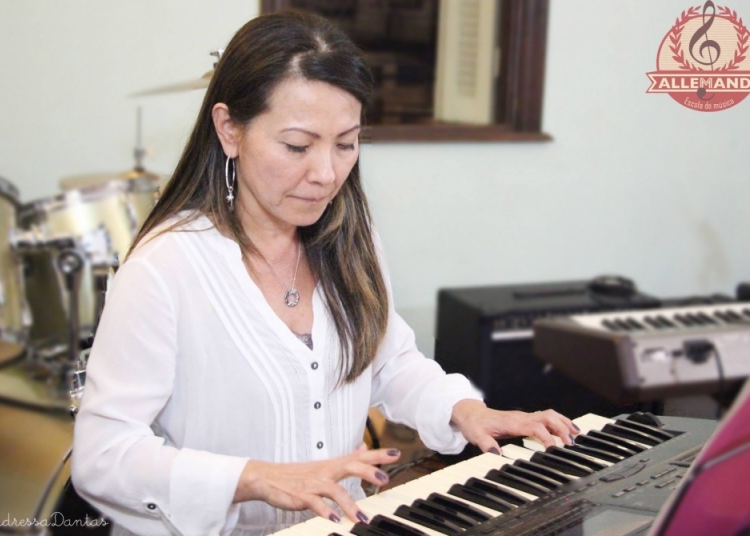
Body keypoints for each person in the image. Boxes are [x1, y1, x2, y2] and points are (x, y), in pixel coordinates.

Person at [71, 11, 579, 536]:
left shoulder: (350, 239)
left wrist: (464, 410)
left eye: (345, 143)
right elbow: (102, 456)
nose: (326, 174)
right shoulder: (164, 267)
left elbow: (388, 363)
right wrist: (254, 478)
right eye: (297, 146)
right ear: (229, 130)